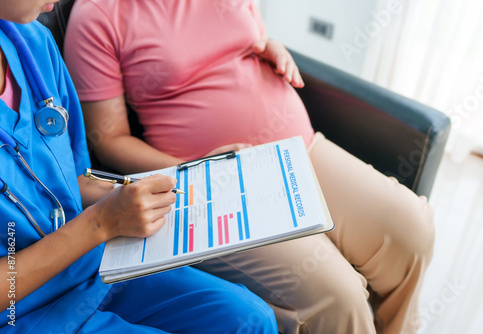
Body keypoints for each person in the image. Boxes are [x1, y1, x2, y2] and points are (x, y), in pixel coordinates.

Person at [64, 0, 436, 333]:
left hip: (297, 149)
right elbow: (107, 139)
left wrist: (270, 46)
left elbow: (245, 39)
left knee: (412, 230)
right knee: (339, 296)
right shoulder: (99, 14)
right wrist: (196, 166)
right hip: (211, 185)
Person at [0, 1, 279, 333]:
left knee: (251, 320)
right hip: (22, 313)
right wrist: (100, 224)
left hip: (90, 267)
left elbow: (72, 181)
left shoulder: (34, 44)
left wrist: (189, 175)